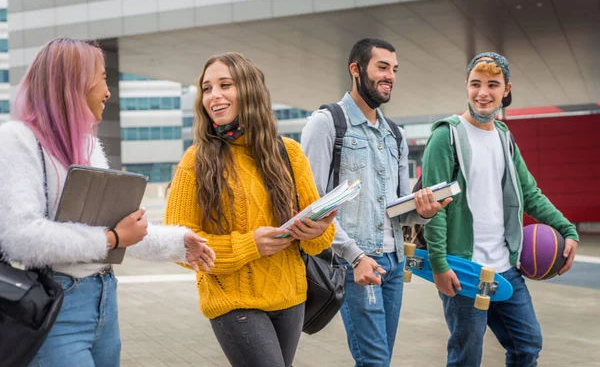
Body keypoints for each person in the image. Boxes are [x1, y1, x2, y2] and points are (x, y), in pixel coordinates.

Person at [0, 37, 216, 367]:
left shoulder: (87, 145)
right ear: (73, 81)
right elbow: (22, 239)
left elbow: (121, 228)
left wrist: (178, 243)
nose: (108, 90)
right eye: (102, 77)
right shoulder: (18, 139)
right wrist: (111, 239)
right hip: (55, 306)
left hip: (103, 301)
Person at [163, 52, 336, 367]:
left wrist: (318, 230)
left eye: (225, 85)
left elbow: (319, 242)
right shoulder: (196, 160)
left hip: (291, 299)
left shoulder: (291, 153)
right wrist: (248, 245)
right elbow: (177, 244)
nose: (214, 95)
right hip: (233, 301)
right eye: (207, 88)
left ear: (250, 91)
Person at [421, 51, 579, 367]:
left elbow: (530, 194)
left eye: (493, 84)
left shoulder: (504, 137)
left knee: (527, 347)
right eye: (475, 84)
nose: (483, 93)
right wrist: (439, 264)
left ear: (506, 89)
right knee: (467, 358)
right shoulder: (446, 136)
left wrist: (567, 230)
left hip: (505, 266)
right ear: (466, 86)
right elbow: (434, 206)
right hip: (464, 269)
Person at [301, 37, 449, 367]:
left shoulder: (393, 133)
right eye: (382, 67)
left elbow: (396, 209)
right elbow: (312, 205)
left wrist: (423, 212)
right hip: (355, 261)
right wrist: (355, 258)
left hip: (393, 262)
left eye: (394, 69)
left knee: (378, 359)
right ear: (356, 70)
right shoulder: (326, 123)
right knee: (375, 361)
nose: (390, 76)